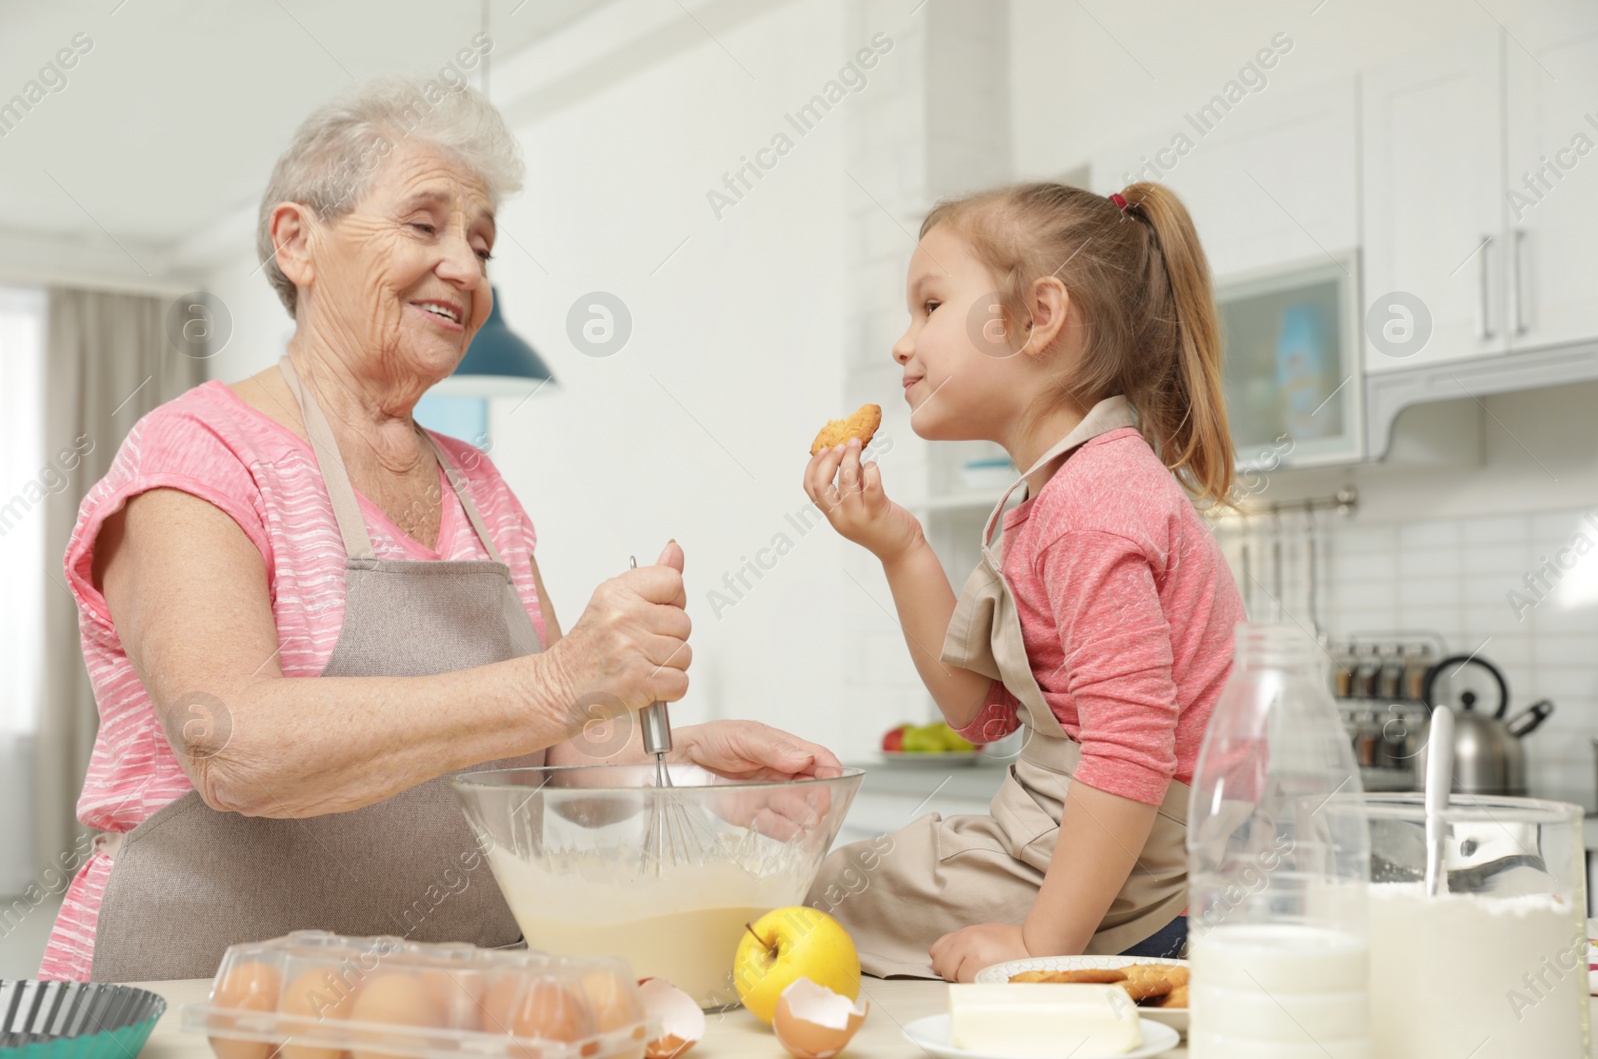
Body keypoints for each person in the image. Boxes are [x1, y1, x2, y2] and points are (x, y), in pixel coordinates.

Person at [41, 75, 836, 982]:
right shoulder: (197, 454)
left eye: (483, 244)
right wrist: (561, 676)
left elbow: (555, 763)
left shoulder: (480, 487)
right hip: (195, 996)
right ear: (297, 241)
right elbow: (235, 745)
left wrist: (688, 773)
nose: (467, 268)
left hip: (443, 999)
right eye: (425, 225)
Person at [801, 181, 1245, 982]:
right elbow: (985, 714)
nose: (903, 344)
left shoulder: (1094, 504)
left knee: (809, 900)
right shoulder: (1051, 499)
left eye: (930, 306)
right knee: (826, 889)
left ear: (1040, 317)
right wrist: (900, 548)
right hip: (1065, 833)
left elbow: (1132, 749)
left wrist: (1042, 947)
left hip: (1136, 872)